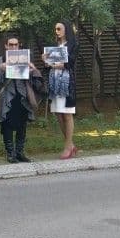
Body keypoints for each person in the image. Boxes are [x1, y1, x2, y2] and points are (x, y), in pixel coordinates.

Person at [0, 36, 44, 162]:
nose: (14, 47)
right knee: (7, 125)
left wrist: (33, 70)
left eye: (16, 44)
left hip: (23, 96)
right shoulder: (0, 60)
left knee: (22, 125)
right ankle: (10, 153)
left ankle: (20, 152)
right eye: (11, 44)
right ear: (6, 46)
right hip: (8, 97)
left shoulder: (25, 59)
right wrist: (2, 69)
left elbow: (33, 79)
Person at [44, 20, 79, 159]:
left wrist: (54, 64)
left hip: (66, 83)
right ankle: (71, 145)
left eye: (59, 28)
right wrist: (46, 60)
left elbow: (69, 63)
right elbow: (49, 65)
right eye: (56, 29)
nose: (57, 31)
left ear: (66, 30)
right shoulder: (54, 46)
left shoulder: (73, 45)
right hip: (54, 82)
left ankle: (67, 147)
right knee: (58, 114)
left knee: (67, 114)